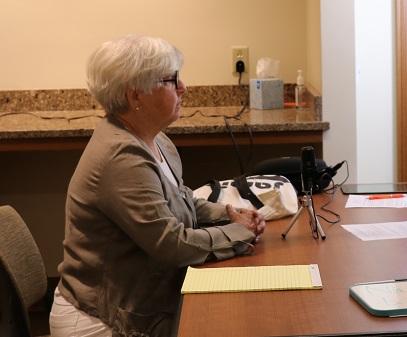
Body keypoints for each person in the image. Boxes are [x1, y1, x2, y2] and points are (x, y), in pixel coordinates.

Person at [49, 35, 266, 337]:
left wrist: (228, 213)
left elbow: (179, 199)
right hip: (101, 320)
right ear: (135, 95)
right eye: (171, 79)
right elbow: (170, 243)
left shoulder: (153, 138)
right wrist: (240, 232)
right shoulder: (122, 156)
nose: (183, 87)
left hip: (140, 302)